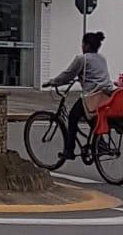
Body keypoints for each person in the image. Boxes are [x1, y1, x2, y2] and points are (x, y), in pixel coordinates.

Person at [44, 31, 115, 159]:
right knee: (91, 118)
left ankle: (69, 151)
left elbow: (68, 75)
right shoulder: (102, 58)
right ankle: (101, 144)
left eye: (83, 44)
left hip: (92, 97)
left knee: (72, 117)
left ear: (87, 46)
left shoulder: (82, 59)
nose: (81, 47)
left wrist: (52, 82)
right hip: (106, 96)